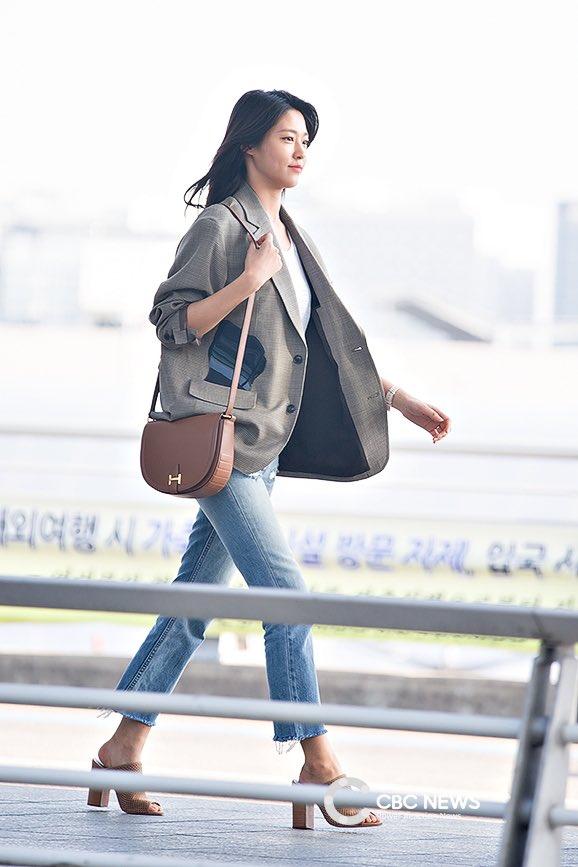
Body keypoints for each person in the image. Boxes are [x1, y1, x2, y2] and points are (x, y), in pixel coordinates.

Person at [89, 89, 452, 827]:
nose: (300, 150)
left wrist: (397, 398)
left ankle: (122, 748)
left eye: (306, 139)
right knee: (286, 596)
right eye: (287, 136)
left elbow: (318, 347)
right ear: (250, 144)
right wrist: (247, 282)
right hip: (222, 443)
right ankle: (319, 766)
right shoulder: (222, 227)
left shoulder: (289, 232)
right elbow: (171, 322)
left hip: (262, 448)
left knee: (193, 608)